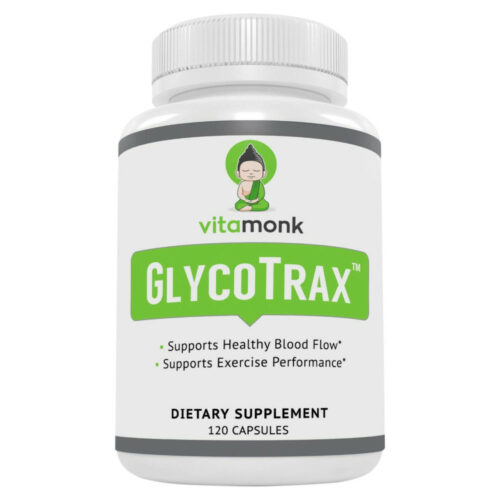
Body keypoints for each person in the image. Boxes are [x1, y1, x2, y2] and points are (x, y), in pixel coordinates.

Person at [235, 144, 270, 212]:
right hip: (245, 201)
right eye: (245, 170)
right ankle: (252, 207)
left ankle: (250, 208)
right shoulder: (242, 184)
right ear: (238, 173)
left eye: (256, 171)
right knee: (238, 205)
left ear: (263, 173)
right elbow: (240, 194)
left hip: (258, 201)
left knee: (265, 205)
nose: (251, 173)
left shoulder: (259, 184)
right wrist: (245, 199)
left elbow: (261, 194)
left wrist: (256, 200)